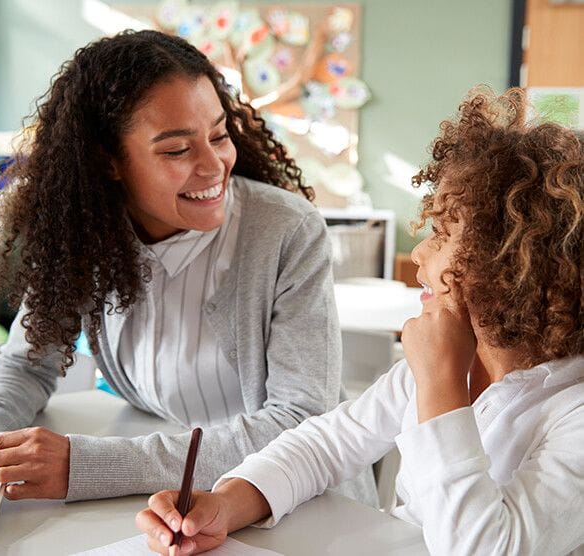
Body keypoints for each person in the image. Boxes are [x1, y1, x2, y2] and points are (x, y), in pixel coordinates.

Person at [0, 29, 376, 506]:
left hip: (303, 499)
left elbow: (299, 423)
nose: (214, 166)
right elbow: (28, 363)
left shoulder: (285, 230)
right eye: (177, 149)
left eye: (219, 135)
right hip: (171, 494)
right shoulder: (86, 232)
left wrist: (91, 465)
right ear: (109, 162)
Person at [137, 87, 584, 556]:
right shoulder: (442, 361)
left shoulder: (569, 414)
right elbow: (326, 444)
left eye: (445, 233)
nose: (422, 255)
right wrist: (228, 503)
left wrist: (441, 383)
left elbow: (482, 549)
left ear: (517, 266)